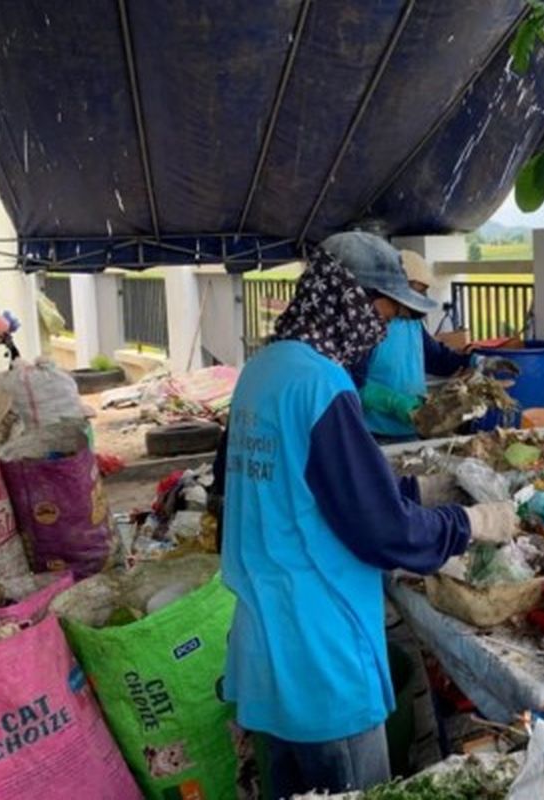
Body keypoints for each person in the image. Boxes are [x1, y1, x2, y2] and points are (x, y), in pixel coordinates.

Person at [219, 242, 518, 797]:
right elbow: (381, 529)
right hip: (321, 652)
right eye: (381, 313)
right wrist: (468, 523)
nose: (380, 332)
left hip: (266, 643)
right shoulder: (321, 385)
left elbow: (301, 485)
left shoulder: (262, 370)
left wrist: (417, 489)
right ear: (346, 301)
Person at [321, 234, 515, 441]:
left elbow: (436, 358)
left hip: (412, 428)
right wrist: (395, 401)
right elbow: (350, 382)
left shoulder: (413, 324)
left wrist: (477, 361)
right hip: (374, 433)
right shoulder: (368, 327)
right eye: (417, 291)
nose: (419, 300)